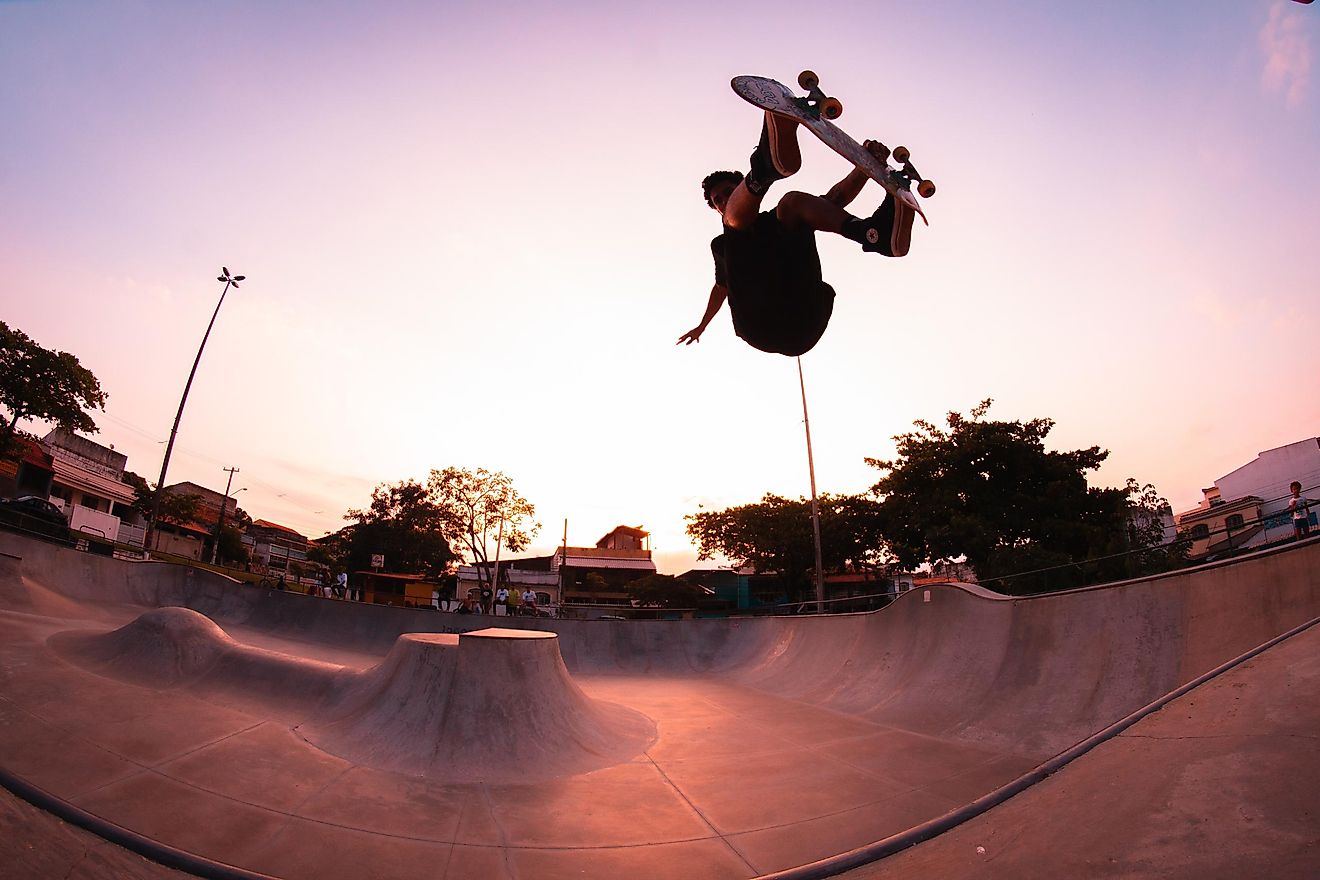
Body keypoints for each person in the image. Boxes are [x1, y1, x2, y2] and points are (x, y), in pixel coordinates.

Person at [678, 112, 918, 357]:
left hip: (804, 316)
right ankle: (763, 170)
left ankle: (874, 235)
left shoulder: (779, 220)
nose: (724, 200)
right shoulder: (722, 245)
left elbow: (834, 201)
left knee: (794, 204)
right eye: (718, 200)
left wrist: (865, 165)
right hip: (760, 325)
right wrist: (702, 325)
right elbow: (721, 288)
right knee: (735, 230)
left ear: (739, 186)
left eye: (729, 191)